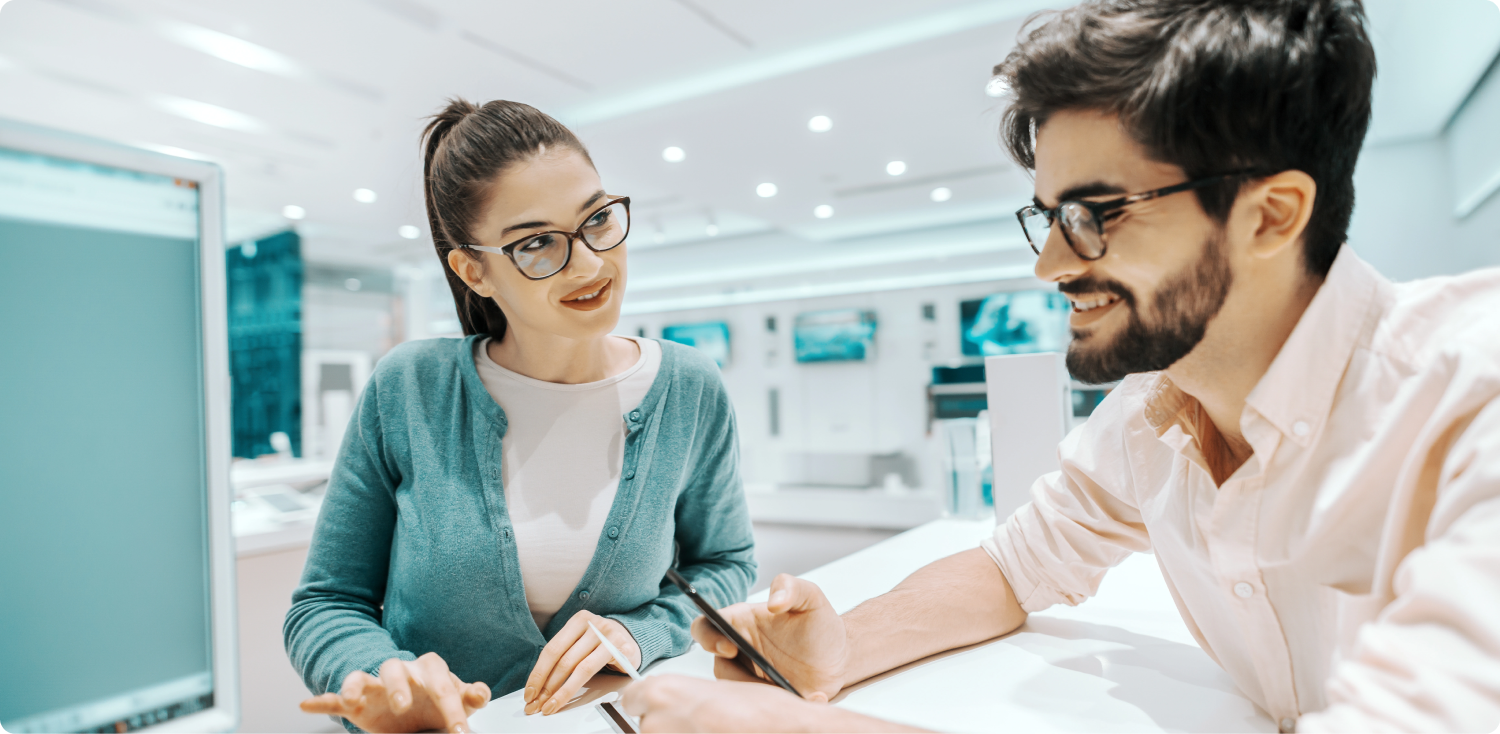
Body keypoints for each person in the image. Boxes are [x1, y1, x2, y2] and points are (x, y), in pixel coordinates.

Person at [622, 1, 1500, 732]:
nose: (1049, 266)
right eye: (1048, 218)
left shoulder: (1474, 396)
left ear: (1271, 216)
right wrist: (841, 646)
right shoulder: (1155, 411)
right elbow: (1011, 567)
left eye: (1095, 215)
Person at [285, 99, 757, 734]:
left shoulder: (688, 388)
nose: (590, 264)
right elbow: (325, 604)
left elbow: (726, 566)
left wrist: (640, 633)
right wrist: (383, 679)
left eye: (597, 219)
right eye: (536, 244)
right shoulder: (411, 389)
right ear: (474, 270)